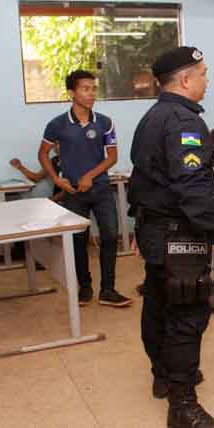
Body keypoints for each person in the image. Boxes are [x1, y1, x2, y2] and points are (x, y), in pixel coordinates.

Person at [128, 46, 214, 428]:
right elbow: (192, 187)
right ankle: (182, 405)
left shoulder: (152, 117)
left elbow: (143, 179)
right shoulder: (184, 122)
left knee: (160, 301)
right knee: (187, 310)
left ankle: (163, 375)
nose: (207, 80)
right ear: (185, 79)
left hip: (155, 228)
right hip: (180, 234)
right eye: (203, 73)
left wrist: (140, 226)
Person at [38, 70, 131, 308]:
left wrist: (90, 175)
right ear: (72, 93)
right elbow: (43, 154)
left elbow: (112, 157)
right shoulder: (57, 125)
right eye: (85, 89)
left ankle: (108, 290)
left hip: (100, 189)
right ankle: (85, 287)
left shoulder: (104, 122)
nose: (91, 94)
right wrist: (57, 181)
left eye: (93, 89)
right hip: (73, 193)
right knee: (79, 240)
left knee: (110, 236)